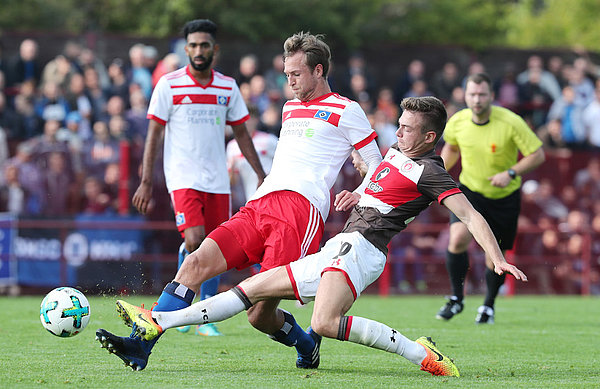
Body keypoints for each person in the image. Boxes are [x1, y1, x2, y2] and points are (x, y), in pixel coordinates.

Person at [100, 96, 528, 377]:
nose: (397, 133)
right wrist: (356, 191)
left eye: (406, 128)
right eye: (398, 125)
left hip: (361, 251)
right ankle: (158, 323)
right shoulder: (398, 154)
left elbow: (470, 215)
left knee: (323, 322)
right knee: (249, 291)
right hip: (336, 248)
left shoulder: (432, 172)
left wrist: (497, 257)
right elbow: (379, 183)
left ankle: (421, 355)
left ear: (429, 137)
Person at [98, 30, 382, 371]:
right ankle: (140, 345)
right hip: (259, 204)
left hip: (299, 212)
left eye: (296, 73)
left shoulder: (346, 109)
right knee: (194, 263)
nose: (289, 81)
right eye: (287, 73)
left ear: (319, 71)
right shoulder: (290, 108)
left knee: (259, 316)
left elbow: (378, 166)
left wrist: (359, 191)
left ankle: (308, 341)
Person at [131, 19, 267, 337]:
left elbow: (242, 133)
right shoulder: (169, 84)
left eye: (204, 45)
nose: (198, 50)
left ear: (214, 49)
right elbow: (154, 133)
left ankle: (202, 317)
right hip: (182, 176)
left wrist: (261, 173)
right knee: (195, 240)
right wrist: (146, 180)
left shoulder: (227, 86)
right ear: (186, 49)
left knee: (214, 247)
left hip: (218, 180)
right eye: (192, 45)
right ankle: (184, 304)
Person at [436, 73, 544, 324]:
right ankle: (456, 298)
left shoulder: (510, 121)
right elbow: (451, 147)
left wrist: (511, 173)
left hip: (504, 196)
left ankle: (488, 306)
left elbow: (537, 155)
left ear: (492, 96)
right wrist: (439, 172)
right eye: (472, 94)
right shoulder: (458, 121)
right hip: (470, 189)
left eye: (482, 94)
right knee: (458, 238)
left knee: (494, 255)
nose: (477, 99)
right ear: (465, 95)